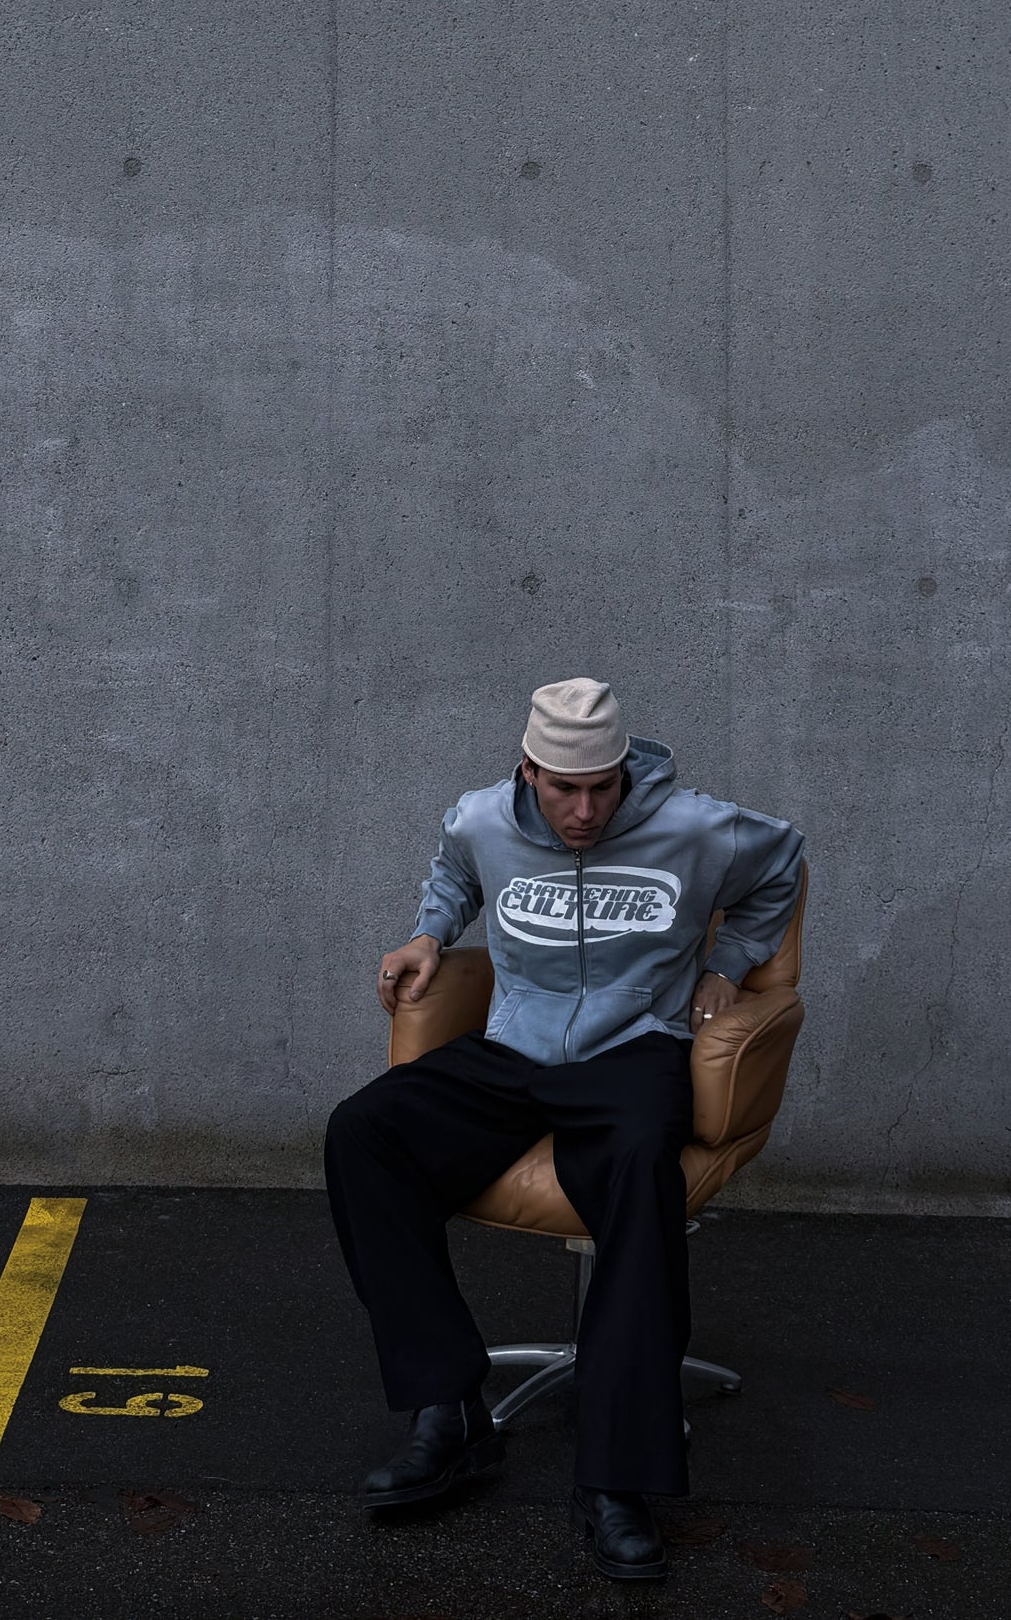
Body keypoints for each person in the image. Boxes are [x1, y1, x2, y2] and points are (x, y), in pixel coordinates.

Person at [323, 677, 804, 1582]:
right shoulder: (479, 819)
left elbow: (782, 865)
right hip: (514, 1047)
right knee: (363, 1132)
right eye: (562, 789)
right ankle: (450, 1407)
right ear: (527, 770)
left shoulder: (699, 826)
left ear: (625, 774)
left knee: (635, 1173)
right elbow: (455, 873)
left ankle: (617, 1477)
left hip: (635, 1051)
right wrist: (431, 932)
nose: (584, 811)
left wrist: (732, 963)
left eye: (603, 788)